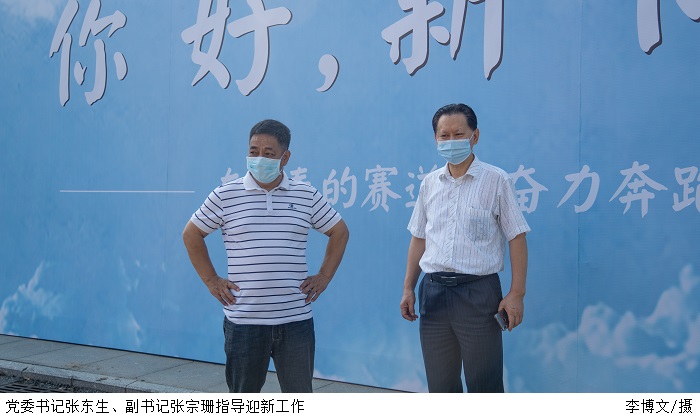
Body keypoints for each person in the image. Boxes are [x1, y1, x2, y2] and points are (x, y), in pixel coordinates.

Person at [182, 119, 349, 393]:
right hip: (244, 322)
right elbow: (191, 234)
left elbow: (339, 231)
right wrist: (212, 281)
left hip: (295, 320)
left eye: (269, 153)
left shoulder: (305, 195)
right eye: (254, 151)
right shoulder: (226, 195)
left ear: (286, 157)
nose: (259, 158)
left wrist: (324, 276)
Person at [400, 103, 530, 393]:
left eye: (458, 134)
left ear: (475, 136)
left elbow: (517, 237)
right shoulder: (429, 183)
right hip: (433, 292)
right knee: (441, 384)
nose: (451, 141)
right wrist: (408, 288)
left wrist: (516, 293)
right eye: (444, 136)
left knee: (484, 384)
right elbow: (419, 238)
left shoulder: (496, 180)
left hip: (478, 293)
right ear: (435, 139)